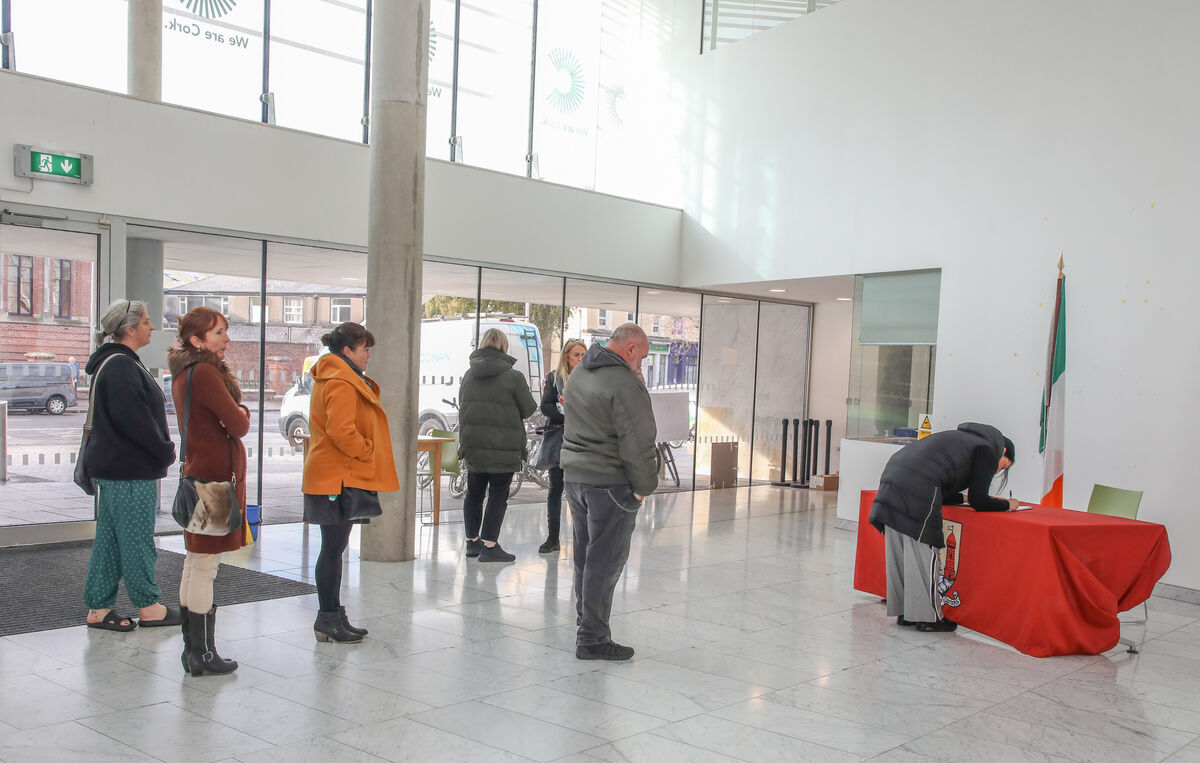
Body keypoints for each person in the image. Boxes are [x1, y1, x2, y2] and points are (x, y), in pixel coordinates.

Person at [560, 323, 659, 660]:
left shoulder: (578, 374)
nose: (641, 364)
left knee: (586, 558)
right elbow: (638, 442)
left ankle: (585, 625)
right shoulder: (624, 383)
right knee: (605, 563)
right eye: (643, 356)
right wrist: (644, 488)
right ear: (630, 349)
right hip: (611, 483)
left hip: (576, 479)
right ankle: (592, 637)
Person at [82, 299, 181, 632]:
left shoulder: (111, 363)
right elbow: (134, 421)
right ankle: (149, 607)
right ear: (129, 329)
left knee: (109, 541)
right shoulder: (122, 366)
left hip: (113, 469)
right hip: (129, 471)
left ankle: (98, 608)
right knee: (138, 540)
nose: (152, 327)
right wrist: (165, 450)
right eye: (147, 322)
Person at [301, 322, 399, 644]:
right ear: (348, 350)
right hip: (336, 476)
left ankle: (332, 615)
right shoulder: (341, 381)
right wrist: (366, 449)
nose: (369, 355)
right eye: (365, 349)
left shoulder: (336, 376)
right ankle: (328, 618)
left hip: (334, 474)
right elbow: (341, 431)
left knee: (334, 548)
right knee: (332, 549)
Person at [868, 422, 1017, 633]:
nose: (996, 469)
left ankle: (906, 614)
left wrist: (961, 498)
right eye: (1002, 466)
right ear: (1002, 450)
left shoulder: (960, 439)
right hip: (917, 486)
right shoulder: (986, 451)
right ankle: (929, 618)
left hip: (893, 477)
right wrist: (1007, 505)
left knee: (900, 554)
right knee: (924, 554)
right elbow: (979, 500)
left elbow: (945, 483)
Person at [168, 306, 250, 676]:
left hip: (197, 476)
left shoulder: (185, 372)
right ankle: (200, 654)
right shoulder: (204, 373)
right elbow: (238, 423)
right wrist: (243, 411)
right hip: (213, 481)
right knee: (205, 566)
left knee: (194, 562)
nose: (226, 339)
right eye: (219, 333)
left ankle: (194, 651)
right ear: (196, 340)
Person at [458, 327, 538, 562]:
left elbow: (463, 408)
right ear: (504, 347)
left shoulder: (469, 375)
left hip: (474, 446)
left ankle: (472, 543)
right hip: (504, 448)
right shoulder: (514, 377)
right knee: (497, 495)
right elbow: (529, 409)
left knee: (473, 494)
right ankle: (490, 546)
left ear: (482, 344)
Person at [537, 338, 586, 554]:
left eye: (583, 355)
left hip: (582, 442)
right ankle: (553, 537)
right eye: (576, 355)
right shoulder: (554, 379)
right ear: (566, 356)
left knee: (580, 492)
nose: (580, 359)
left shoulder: (589, 378)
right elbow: (545, 406)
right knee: (555, 490)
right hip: (559, 439)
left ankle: (582, 537)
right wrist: (563, 415)